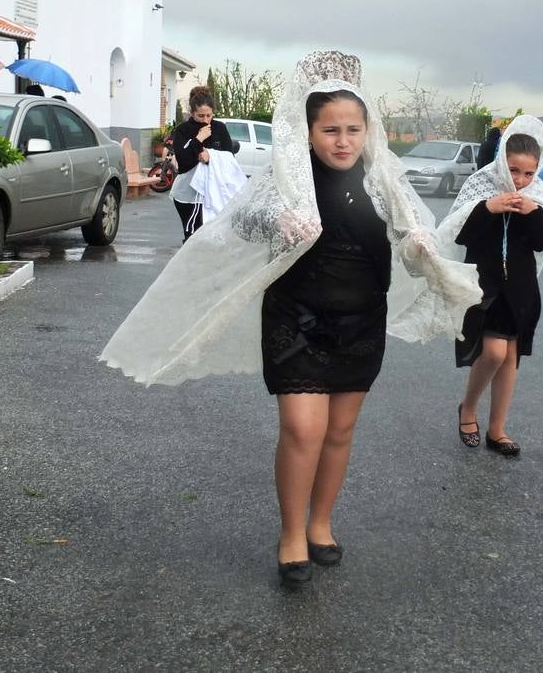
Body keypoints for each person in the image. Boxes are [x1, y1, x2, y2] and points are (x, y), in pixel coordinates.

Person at [100, 51, 482, 588]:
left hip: (361, 322)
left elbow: (413, 235)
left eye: (353, 129)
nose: (343, 140)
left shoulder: (383, 181)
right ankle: (291, 533)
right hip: (296, 319)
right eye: (330, 130)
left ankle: (321, 522)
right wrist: (280, 219)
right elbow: (240, 221)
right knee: (303, 428)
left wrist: (421, 245)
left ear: (367, 130)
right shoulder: (287, 178)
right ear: (307, 132)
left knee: (340, 430)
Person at [446, 116, 543, 457]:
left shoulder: (536, 194)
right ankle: (468, 408)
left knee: (510, 357)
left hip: (522, 287)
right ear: (501, 162)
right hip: (485, 284)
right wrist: (488, 208)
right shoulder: (481, 185)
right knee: (495, 352)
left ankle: (498, 428)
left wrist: (533, 213)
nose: (521, 180)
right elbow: (459, 232)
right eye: (514, 170)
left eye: (528, 173)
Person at [168, 87, 238, 241]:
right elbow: (184, 164)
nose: (206, 120)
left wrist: (210, 156)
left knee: (215, 237)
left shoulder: (220, 128)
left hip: (215, 192)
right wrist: (198, 139)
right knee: (193, 236)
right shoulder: (182, 131)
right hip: (189, 194)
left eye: (209, 115)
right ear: (192, 113)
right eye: (201, 116)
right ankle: (190, 264)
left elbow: (230, 160)